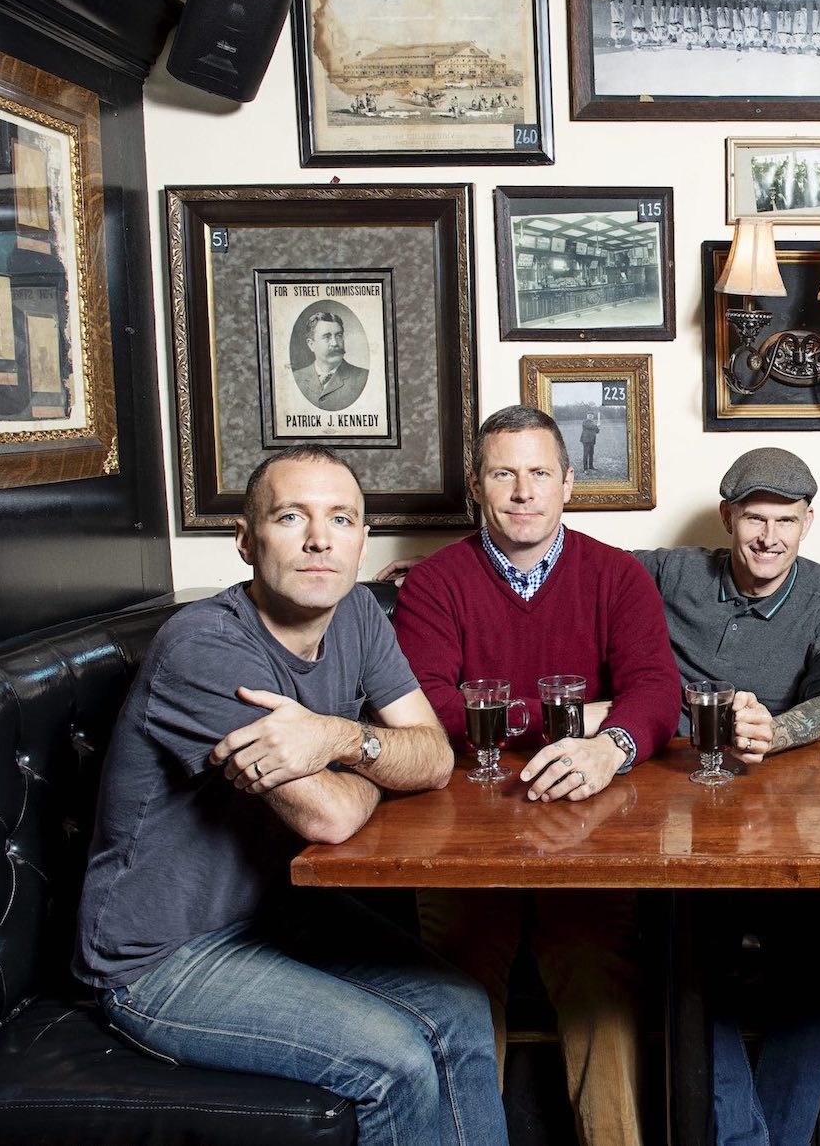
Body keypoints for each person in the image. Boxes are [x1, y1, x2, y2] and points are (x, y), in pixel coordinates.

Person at [73, 445, 505, 1146]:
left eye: (341, 519)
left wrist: (336, 737)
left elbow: (433, 758)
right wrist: (373, 765)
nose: (319, 540)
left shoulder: (357, 613)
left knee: (461, 1007)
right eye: (290, 517)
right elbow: (328, 817)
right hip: (162, 961)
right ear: (245, 540)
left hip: (274, 917)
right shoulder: (204, 648)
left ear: (362, 540)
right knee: (395, 1060)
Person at [392, 404, 682, 1146]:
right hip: (462, 836)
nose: (523, 492)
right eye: (503, 474)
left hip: (586, 830)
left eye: (539, 473)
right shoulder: (432, 585)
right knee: (456, 988)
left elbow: (657, 691)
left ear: (568, 483)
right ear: (476, 487)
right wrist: (564, 716)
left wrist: (609, 746)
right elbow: (429, 708)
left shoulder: (617, 576)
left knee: (598, 980)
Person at [635, 446, 820, 1146]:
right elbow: (570, 567)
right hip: (676, 811)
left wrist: (777, 731)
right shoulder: (673, 571)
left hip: (786, 821)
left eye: (786, 520)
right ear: (728, 518)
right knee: (675, 946)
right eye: (756, 518)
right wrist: (451, 569)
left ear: (808, 522)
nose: (770, 537)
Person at [290, 311, 370, 411]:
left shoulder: (363, 378)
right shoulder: (296, 378)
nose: (335, 343)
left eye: (339, 335)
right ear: (311, 344)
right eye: (327, 337)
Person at [581, 408, 602, 473]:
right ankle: (585, 469)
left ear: (593, 416)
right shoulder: (585, 422)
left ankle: (591, 466)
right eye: (589, 415)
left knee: (591, 454)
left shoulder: (593, 423)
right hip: (586, 441)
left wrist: (598, 427)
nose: (590, 416)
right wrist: (597, 425)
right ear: (587, 416)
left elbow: (597, 431)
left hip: (592, 440)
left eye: (591, 415)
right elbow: (590, 426)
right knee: (586, 454)